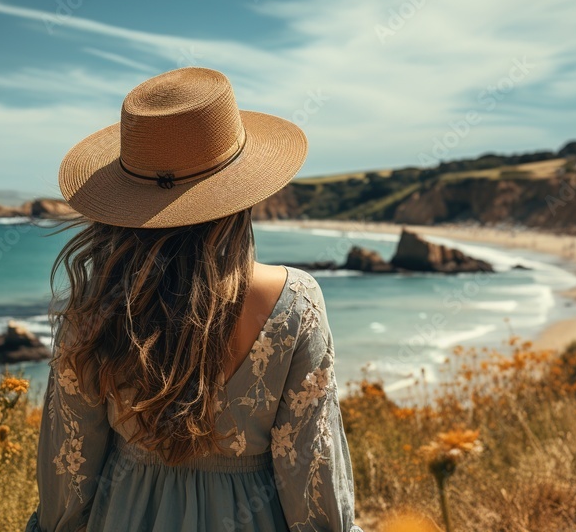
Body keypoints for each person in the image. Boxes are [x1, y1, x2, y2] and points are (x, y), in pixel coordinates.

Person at [25, 67, 360, 531]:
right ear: (240, 190)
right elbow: (312, 481)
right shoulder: (295, 301)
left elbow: (69, 478)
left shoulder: (94, 309)